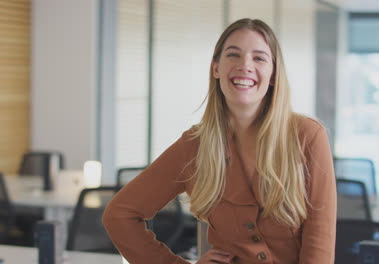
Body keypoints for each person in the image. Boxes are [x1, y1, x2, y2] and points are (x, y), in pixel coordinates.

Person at [103, 18, 336, 264]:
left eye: (259, 58)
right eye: (233, 55)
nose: (245, 65)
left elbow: (320, 242)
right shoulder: (195, 145)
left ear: (273, 75)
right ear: (216, 68)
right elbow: (120, 215)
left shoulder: (307, 136)